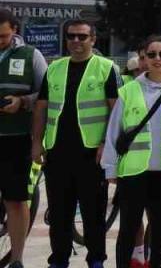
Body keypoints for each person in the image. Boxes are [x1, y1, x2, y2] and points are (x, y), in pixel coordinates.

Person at [32, 18, 119, 268]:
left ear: (93, 39)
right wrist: (37, 142)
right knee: (59, 214)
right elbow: (41, 108)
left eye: (82, 36)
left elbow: (116, 111)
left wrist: (106, 143)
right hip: (58, 152)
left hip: (91, 154)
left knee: (93, 213)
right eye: (71, 36)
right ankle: (58, 260)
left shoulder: (106, 67)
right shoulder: (55, 68)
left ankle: (96, 260)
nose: (76, 41)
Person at [102, 35, 161, 268]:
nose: (157, 59)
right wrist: (110, 167)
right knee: (128, 229)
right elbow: (114, 130)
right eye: (152, 54)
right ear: (144, 58)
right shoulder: (129, 90)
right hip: (134, 173)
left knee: (159, 229)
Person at [0, 8, 47, 268]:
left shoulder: (31, 56)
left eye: (3, 36)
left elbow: (45, 94)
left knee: (16, 200)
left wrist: (22, 102)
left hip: (16, 138)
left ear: (14, 30)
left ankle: (17, 258)